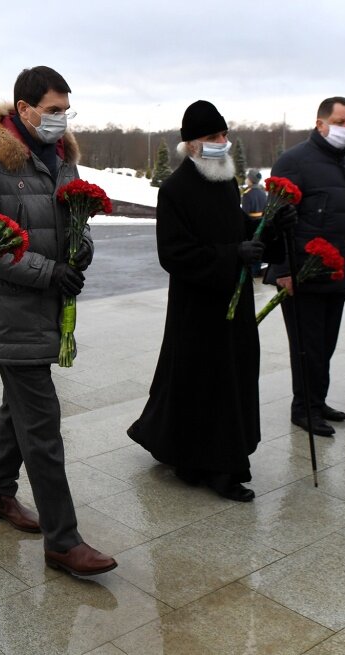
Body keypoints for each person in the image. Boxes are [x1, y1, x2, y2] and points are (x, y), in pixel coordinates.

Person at [0, 66, 116, 577]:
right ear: (22, 110)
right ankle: (62, 541)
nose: (60, 119)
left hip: (44, 310)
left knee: (17, 410)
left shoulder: (62, 157)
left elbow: (75, 219)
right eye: (51, 110)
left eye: (65, 110)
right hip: (9, 314)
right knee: (42, 425)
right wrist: (50, 273)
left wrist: (80, 251)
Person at [127, 100, 293, 502]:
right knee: (203, 383)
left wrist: (270, 229)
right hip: (196, 308)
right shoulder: (175, 189)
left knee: (231, 380)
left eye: (224, 135)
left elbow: (239, 234)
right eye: (213, 137)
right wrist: (231, 256)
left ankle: (217, 456)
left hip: (232, 307)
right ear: (193, 144)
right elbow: (174, 253)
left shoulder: (223, 181)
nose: (223, 142)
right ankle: (212, 467)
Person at [265, 97, 345, 437]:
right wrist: (283, 271)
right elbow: (277, 221)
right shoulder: (295, 161)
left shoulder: (342, 163)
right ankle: (303, 408)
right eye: (340, 122)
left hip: (335, 274)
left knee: (327, 345)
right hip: (301, 274)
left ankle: (317, 401)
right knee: (307, 347)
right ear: (321, 123)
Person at [241, 169, 267, 276]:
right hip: (261, 222)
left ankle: (254, 271)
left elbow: (245, 213)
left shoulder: (247, 194)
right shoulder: (262, 192)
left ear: (251, 180)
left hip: (251, 223)